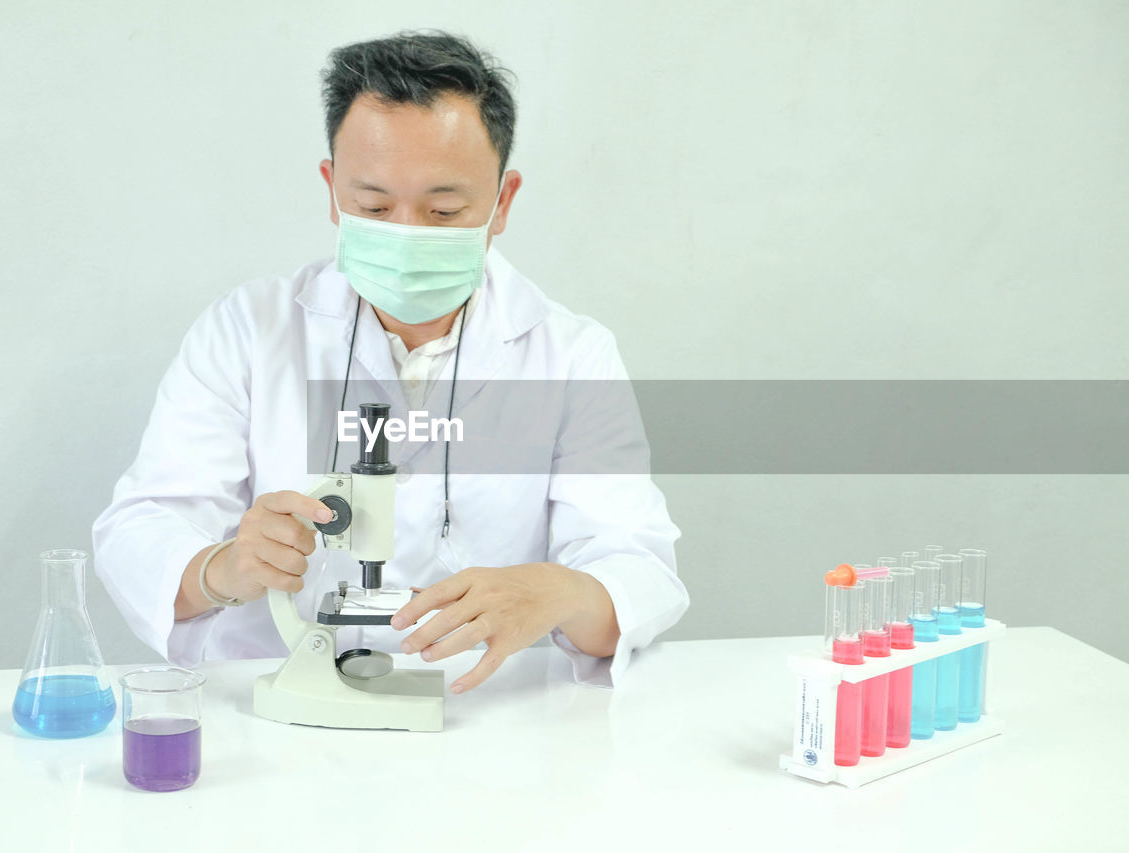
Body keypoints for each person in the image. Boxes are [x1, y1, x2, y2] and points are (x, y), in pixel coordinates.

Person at [93, 31, 688, 692]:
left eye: (444, 209)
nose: (406, 233)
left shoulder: (570, 354)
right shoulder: (248, 332)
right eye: (374, 206)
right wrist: (221, 567)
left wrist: (561, 592)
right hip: (274, 710)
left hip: (488, 724)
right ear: (331, 189)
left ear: (502, 202)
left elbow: (640, 571)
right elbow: (139, 529)